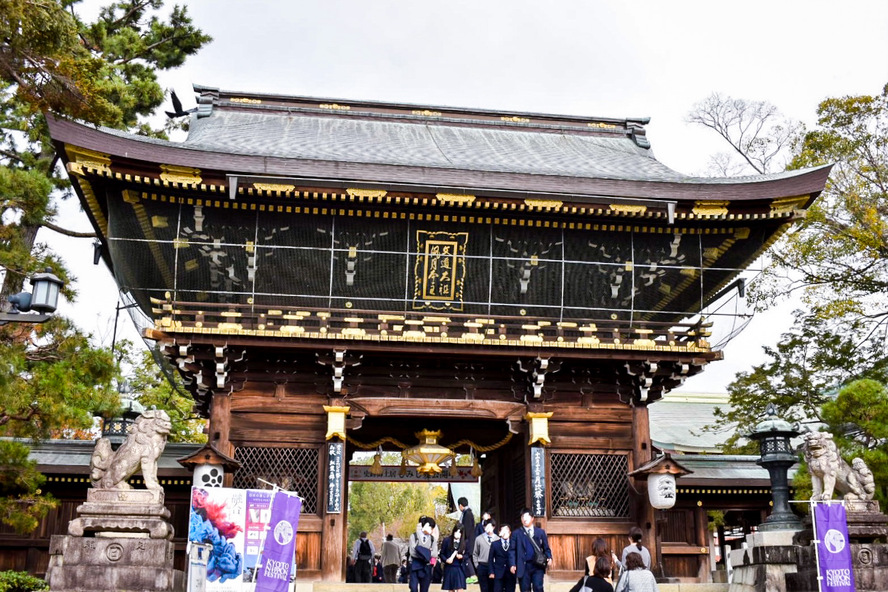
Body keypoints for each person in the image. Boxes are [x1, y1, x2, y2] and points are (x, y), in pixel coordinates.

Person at [512, 508, 552, 592]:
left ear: (532, 518)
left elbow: (546, 548)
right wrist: (512, 564)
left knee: (538, 587)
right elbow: (512, 550)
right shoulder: (516, 533)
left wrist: (549, 557)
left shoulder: (540, 532)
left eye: (527, 517)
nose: (525, 519)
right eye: (523, 517)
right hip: (523, 566)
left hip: (537, 565)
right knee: (525, 589)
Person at [409, 516, 438, 592]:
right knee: (413, 588)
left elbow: (435, 553)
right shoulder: (414, 536)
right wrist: (427, 553)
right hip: (415, 565)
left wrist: (420, 550)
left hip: (426, 567)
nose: (431, 530)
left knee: (424, 589)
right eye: (431, 528)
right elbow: (412, 552)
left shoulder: (432, 539)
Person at [487, 523, 517, 592]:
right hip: (498, 572)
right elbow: (490, 559)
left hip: (510, 573)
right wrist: (491, 572)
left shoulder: (514, 543)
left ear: (510, 532)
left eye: (507, 530)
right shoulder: (495, 544)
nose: (505, 533)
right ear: (499, 532)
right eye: (503, 531)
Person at [440, 524, 469, 592]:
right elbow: (441, 554)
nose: (457, 534)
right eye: (456, 532)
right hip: (449, 567)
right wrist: (446, 560)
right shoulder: (447, 540)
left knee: (460, 588)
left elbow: (468, 555)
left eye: (459, 532)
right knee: (451, 588)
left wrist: (462, 556)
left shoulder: (465, 542)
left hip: (459, 567)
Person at [473, 518, 498, 592]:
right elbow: (475, 553)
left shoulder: (497, 539)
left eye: (489, 526)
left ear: (493, 527)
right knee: (484, 588)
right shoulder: (479, 539)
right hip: (482, 565)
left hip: (493, 567)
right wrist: (477, 566)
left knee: (493, 588)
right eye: (485, 527)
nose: (487, 529)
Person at [457, 497, 477, 579]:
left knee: (466, 557)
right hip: (468, 539)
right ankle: (469, 576)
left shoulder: (467, 514)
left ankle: (472, 575)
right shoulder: (467, 513)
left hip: (468, 540)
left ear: (460, 505)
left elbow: (467, 529)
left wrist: (464, 539)